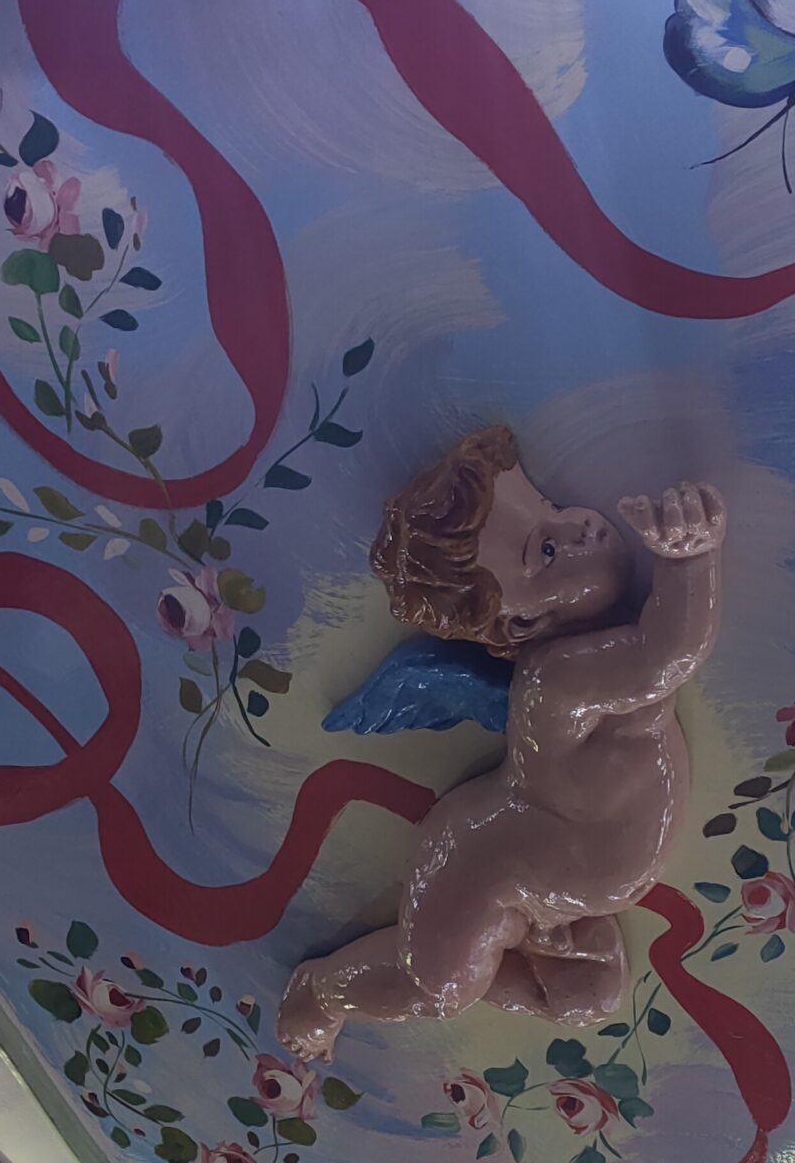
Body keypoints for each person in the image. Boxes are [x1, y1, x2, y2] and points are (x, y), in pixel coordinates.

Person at [278, 427, 725, 1063]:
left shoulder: (588, 658)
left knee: (587, 999)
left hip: (536, 879)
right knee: (437, 989)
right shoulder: (558, 679)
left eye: (550, 506)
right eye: (547, 548)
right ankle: (324, 993)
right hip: (478, 869)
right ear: (524, 619)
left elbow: (653, 659)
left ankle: (538, 942)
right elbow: (666, 655)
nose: (576, 524)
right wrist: (689, 560)